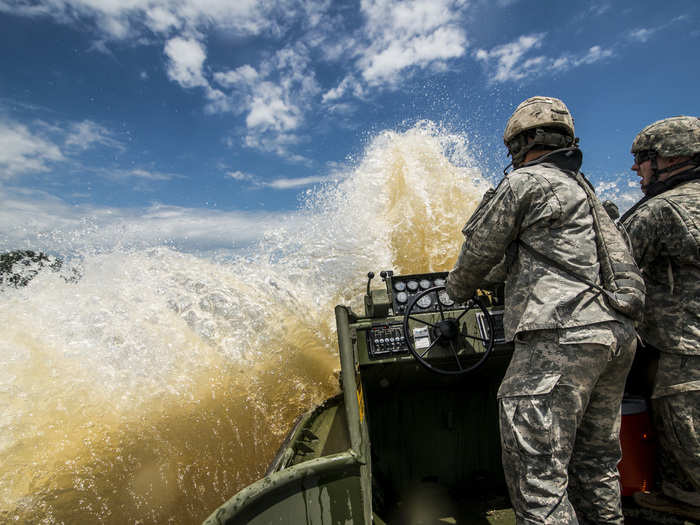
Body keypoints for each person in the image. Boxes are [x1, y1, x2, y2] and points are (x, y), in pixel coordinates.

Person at [446, 96, 637, 524]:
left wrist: (456, 289)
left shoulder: (524, 183)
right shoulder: (586, 193)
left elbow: (478, 254)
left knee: (538, 479)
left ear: (521, 144)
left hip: (560, 336)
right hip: (616, 337)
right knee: (596, 465)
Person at [620, 116, 700, 521]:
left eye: (643, 158)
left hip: (684, 366)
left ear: (674, 157)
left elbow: (608, 264)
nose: (636, 168)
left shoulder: (661, 211)